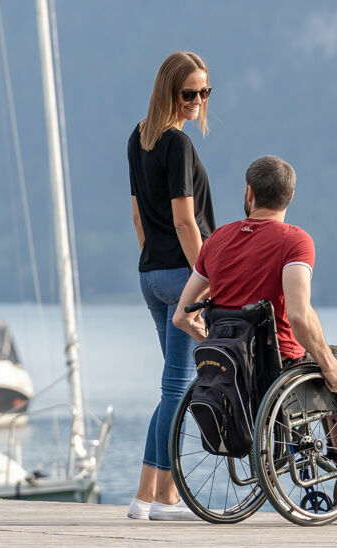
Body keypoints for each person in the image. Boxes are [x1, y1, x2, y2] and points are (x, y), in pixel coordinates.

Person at [171, 155, 337, 516]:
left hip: (235, 373)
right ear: (289, 197)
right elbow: (300, 317)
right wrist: (329, 366)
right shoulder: (294, 242)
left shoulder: (217, 240)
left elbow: (182, 316)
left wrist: (219, 346)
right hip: (283, 368)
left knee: (331, 362)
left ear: (249, 193)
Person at [124, 51, 215, 521]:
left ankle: (154, 496)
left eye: (204, 91)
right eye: (189, 93)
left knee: (172, 388)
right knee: (177, 387)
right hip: (183, 276)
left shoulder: (138, 137)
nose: (197, 100)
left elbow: (138, 217)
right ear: (169, 92)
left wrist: (153, 261)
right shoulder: (177, 144)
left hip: (152, 275)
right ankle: (157, 498)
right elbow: (184, 220)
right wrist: (206, 275)